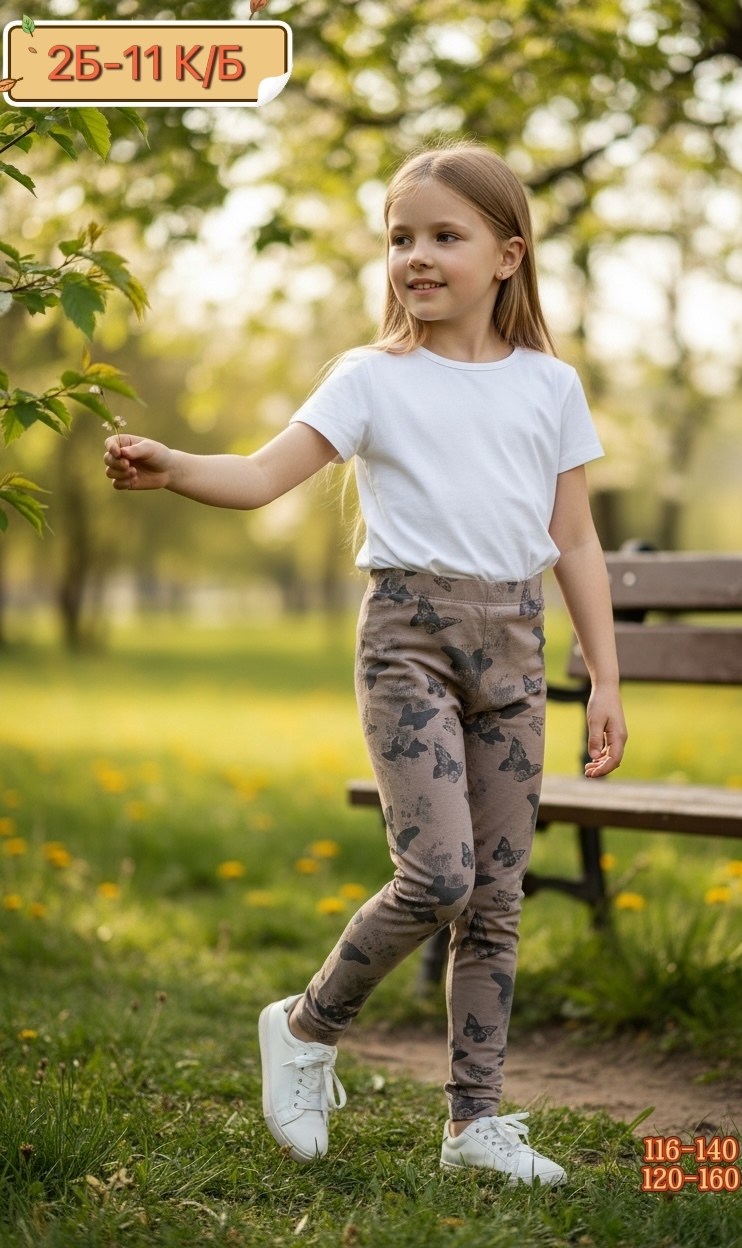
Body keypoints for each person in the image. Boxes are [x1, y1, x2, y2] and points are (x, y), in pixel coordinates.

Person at [104, 139, 627, 1187]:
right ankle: (306, 1027)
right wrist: (172, 471)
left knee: (496, 897)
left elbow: (574, 540)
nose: (416, 257)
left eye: (445, 236)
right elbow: (259, 476)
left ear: (508, 255)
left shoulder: (549, 386)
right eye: (400, 238)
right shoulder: (370, 379)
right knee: (437, 874)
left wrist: (604, 677)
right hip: (410, 648)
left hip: (515, 655)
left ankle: (474, 1122)